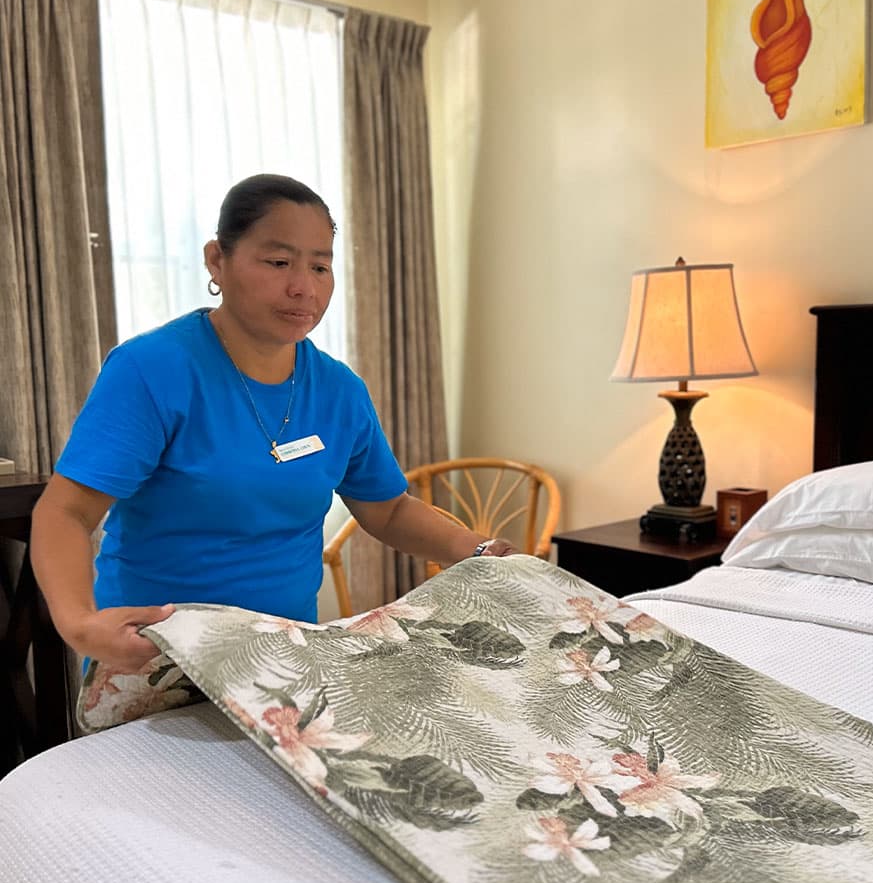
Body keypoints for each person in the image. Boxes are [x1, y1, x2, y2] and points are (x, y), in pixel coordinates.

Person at [31, 174, 515, 673]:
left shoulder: (338, 389)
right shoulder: (152, 370)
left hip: (283, 660)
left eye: (321, 266)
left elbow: (388, 511)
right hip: (157, 657)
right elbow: (65, 512)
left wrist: (475, 549)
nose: (303, 287)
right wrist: (80, 623)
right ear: (218, 260)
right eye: (279, 262)